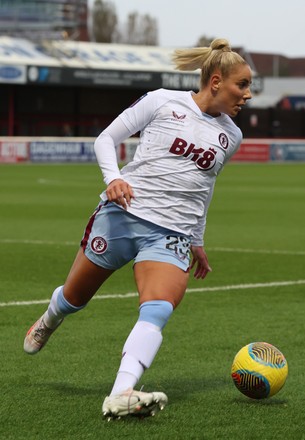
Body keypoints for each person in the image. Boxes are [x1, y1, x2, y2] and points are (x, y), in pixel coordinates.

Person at [23, 38, 252, 420]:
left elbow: (204, 188)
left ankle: (121, 393)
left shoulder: (232, 136)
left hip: (172, 234)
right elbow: (106, 139)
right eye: (241, 85)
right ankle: (51, 316)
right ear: (215, 81)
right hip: (122, 216)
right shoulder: (162, 100)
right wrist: (113, 179)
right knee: (74, 298)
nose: (247, 95)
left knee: (158, 308)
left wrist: (196, 239)